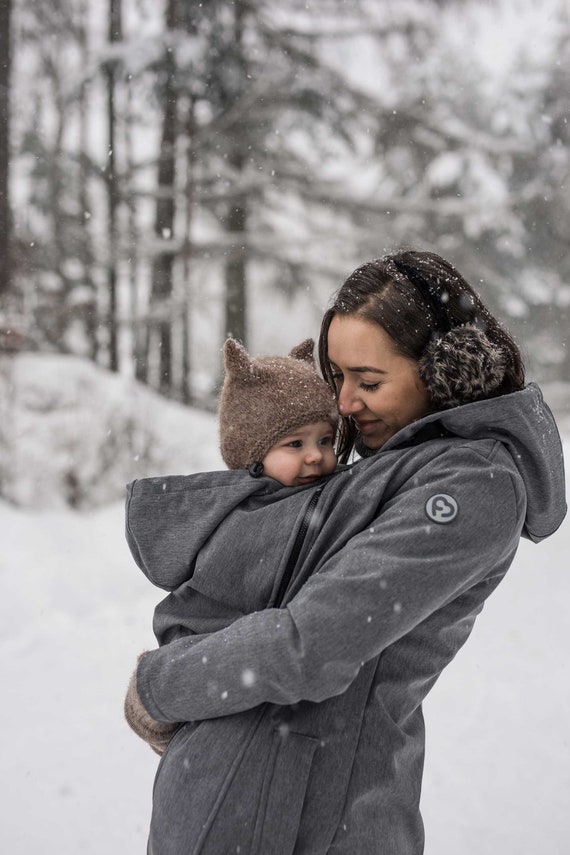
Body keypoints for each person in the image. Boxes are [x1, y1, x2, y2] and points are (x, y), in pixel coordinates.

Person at [125, 250, 566, 855]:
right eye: (337, 379)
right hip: (245, 799)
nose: (345, 405)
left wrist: (160, 685)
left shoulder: (472, 483)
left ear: (445, 371)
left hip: (311, 812)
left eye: (370, 381)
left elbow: (311, 643)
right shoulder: (392, 468)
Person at [125, 336, 339, 753]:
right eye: (295, 443)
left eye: (326, 440)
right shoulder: (241, 523)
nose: (315, 456)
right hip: (219, 695)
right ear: (251, 452)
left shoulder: (323, 499)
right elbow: (200, 611)